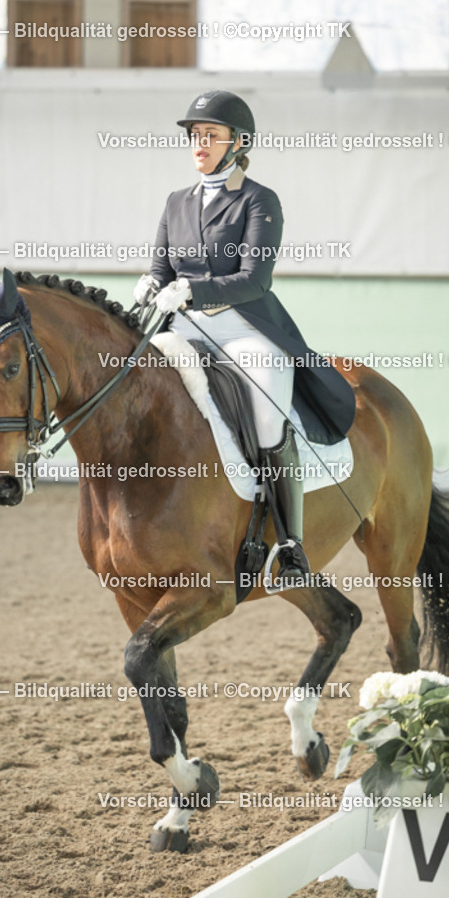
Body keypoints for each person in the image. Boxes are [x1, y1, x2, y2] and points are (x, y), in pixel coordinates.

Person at [134, 90, 355, 579]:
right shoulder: (176, 202)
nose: (199, 143)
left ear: (239, 142)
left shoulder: (258, 200)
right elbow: (160, 268)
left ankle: (291, 544)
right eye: (195, 135)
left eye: (210, 135)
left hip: (245, 331)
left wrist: (189, 290)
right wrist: (152, 284)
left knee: (268, 416)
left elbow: (255, 279)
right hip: (185, 332)